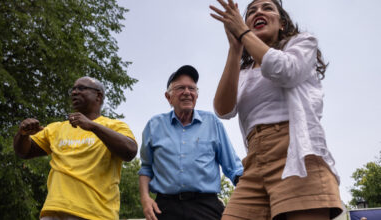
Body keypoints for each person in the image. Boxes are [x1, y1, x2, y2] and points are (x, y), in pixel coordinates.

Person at [209, 0, 343, 219]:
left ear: (282, 23)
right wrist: (235, 49)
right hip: (254, 160)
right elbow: (223, 110)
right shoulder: (243, 72)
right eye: (251, 11)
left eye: (267, 8)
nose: (258, 12)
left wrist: (242, 31)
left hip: (296, 154)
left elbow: (286, 70)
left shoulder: (302, 44)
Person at [13, 76, 138, 220]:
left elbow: (130, 151)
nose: (74, 92)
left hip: (95, 214)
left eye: (81, 88)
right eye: (73, 89)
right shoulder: (56, 128)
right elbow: (24, 152)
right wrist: (22, 134)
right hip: (53, 211)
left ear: (98, 96)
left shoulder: (114, 126)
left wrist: (93, 126)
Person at [138, 65, 244, 220]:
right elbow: (146, 169)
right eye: (180, 88)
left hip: (206, 207)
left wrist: (248, 196)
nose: (187, 92)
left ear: (196, 95)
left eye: (192, 88)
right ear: (168, 97)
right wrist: (145, 199)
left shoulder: (212, 123)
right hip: (165, 208)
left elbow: (233, 168)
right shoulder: (154, 125)